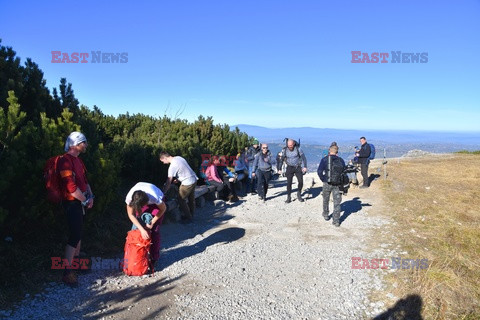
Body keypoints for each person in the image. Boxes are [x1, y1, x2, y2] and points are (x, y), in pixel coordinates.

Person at [58, 131, 94, 287]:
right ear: (76, 144)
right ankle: (67, 273)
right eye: (84, 142)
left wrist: (91, 197)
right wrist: (85, 200)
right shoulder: (65, 161)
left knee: (78, 233)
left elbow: (84, 181)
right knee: (74, 236)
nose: (86, 145)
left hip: (81, 202)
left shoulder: (79, 161)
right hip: (72, 203)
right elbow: (71, 188)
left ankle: (76, 263)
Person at [125, 182, 166, 270]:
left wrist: (152, 222)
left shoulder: (154, 196)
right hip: (140, 200)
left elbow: (163, 208)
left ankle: (154, 258)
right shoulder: (129, 198)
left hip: (157, 204)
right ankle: (139, 255)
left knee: (155, 230)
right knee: (138, 225)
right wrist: (142, 229)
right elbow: (131, 215)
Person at [159, 152, 198, 221]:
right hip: (194, 179)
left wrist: (164, 192)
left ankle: (188, 218)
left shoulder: (172, 166)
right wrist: (178, 179)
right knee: (191, 198)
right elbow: (185, 170)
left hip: (187, 183)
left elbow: (169, 181)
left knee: (180, 199)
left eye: (162, 161)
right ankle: (192, 214)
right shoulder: (179, 158)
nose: (163, 163)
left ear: (165, 158)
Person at [317, 145, 346, 227]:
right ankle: (336, 221)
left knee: (325, 199)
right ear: (337, 151)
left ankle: (326, 214)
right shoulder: (341, 160)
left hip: (327, 183)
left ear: (329, 151)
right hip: (337, 183)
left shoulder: (324, 159)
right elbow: (344, 171)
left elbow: (319, 171)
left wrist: (323, 179)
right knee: (337, 202)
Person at [279, 139, 307, 203]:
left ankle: (299, 194)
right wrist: (279, 168)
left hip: (297, 167)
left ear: (294, 144)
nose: (290, 147)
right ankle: (288, 197)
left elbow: (304, 158)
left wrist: (305, 166)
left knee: (300, 181)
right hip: (289, 167)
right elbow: (282, 159)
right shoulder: (285, 150)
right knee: (289, 183)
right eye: (289, 145)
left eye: (291, 145)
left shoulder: (298, 149)